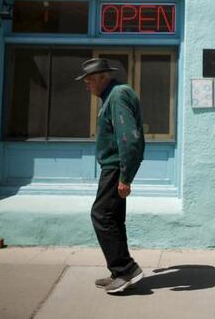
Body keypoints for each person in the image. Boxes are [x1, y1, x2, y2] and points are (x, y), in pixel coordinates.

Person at [76, 58, 146, 294]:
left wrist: (126, 176)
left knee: (101, 215)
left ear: (102, 78)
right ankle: (120, 272)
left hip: (116, 168)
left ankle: (126, 270)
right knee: (113, 218)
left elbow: (129, 138)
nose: (87, 86)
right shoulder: (112, 96)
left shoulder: (117, 95)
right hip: (114, 167)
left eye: (89, 81)